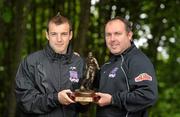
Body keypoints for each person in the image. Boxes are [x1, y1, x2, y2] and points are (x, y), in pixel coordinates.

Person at [15, 13, 87, 117]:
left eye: (63, 34)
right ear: (47, 35)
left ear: (70, 35)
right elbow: (25, 101)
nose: (59, 39)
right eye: (54, 34)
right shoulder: (31, 62)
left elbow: (83, 108)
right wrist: (56, 98)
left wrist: (84, 101)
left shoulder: (79, 63)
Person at [95, 16, 158, 117]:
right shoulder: (107, 65)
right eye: (108, 35)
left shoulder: (137, 60)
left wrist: (112, 100)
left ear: (129, 35)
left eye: (117, 34)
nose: (112, 39)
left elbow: (148, 95)